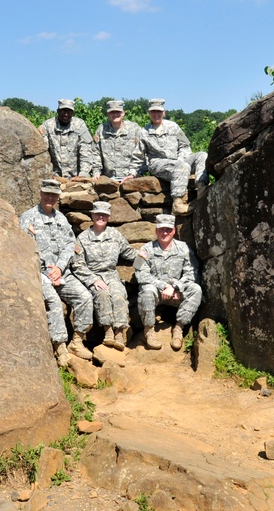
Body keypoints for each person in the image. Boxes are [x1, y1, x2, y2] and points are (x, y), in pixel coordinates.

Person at [19, 178, 95, 366]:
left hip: (61, 272)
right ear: (41, 194)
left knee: (84, 296)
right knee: (52, 301)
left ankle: (77, 341)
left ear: (58, 197)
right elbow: (24, 247)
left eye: (54, 195)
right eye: (47, 194)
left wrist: (59, 268)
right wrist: (47, 271)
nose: (50, 198)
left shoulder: (61, 219)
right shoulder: (28, 217)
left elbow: (70, 245)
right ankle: (60, 347)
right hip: (38, 273)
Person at [71, 201, 139, 350]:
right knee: (102, 294)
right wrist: (93, 280)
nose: (100, 217)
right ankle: (108, 331)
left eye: (104, 215)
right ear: (92, 215)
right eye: (97, 214)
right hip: (94, 276)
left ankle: (119, 332)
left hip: (111, 275)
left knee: (119, 294)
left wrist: (146, 257)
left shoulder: (115, 235)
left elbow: (129, 252)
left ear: (108, 217)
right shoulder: (82, 238)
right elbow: (77, 265)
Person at [134, 214, 202, 350]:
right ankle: (149, 330)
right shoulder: (145, 249)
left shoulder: (184, 248)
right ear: (156, 230)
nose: (164, 233)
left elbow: (192, 272)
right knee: (146, 291)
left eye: (168, 230)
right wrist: (164, 286)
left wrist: (176, 288)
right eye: (161, 229)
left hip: (176, 293)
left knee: (196, 289)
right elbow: (140, 273)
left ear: (174, 231)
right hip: (156, 293)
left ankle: (179, 328)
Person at [138, 98, 207, 215]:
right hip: (157, 164)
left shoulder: (173, 126)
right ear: (149, 113)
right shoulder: (143, 132)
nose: (156, 114)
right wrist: (133, 172)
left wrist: (181, 159)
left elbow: (184, 145)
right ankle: (177, 203)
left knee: (202, 155)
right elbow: (138, 155)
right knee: (182, 166)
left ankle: (202, 190)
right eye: (153, 111)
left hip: (178, 160)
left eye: (159, 111)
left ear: (164, 112)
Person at [39, 98, 98, 179]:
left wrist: (83, 174)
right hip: (54, 175)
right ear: (58, 111)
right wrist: (46, 174)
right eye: (63, 111)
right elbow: (42, 151)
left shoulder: (79, 124)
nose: (66, 114)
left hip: (76, 176)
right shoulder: (48, 125)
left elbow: (86, 151)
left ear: (73, 113)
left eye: (69, 111)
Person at [93, 100, 144, 182]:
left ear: (123, 113)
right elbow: (96, 153)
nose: (115, 115)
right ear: (108, 114)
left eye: (118, 112)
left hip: (131, 177)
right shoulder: (101, 129)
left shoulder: (134, 129)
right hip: (108, 178)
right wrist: (96, 172)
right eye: (112, 112)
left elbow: (142, 151)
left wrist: (138, 172)